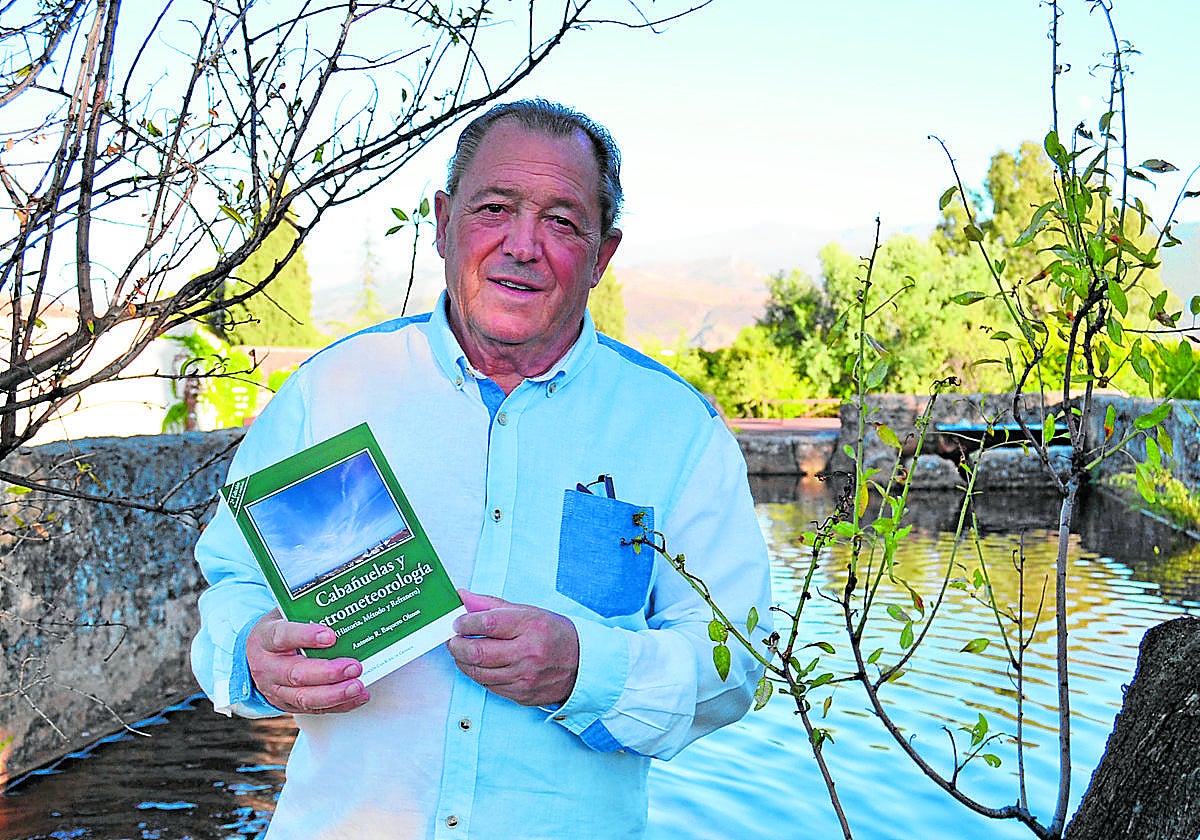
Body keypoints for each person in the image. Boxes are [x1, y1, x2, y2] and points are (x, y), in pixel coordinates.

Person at [192, 98, 773, 838]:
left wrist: (585, 671)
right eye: (495, 207)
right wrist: (251, 654)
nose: (523, 245)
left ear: (602, 255)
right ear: (441, 223)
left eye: (562, 221)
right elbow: (235, 581)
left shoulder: (678, 430)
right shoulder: (333, 390)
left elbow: (733, 663)